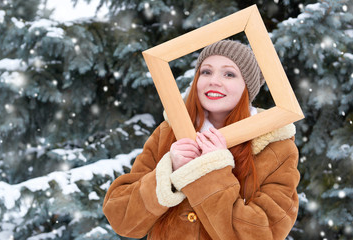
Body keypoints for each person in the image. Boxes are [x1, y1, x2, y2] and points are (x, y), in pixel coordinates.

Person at [103, 40, 300, 240]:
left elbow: (264, 233)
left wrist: (212, 171)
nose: (214, 81)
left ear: (247, 86)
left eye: (229, 74)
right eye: (206, 72)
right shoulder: (168, 133)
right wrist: (170, 172)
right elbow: (122, 220)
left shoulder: (276, 147)